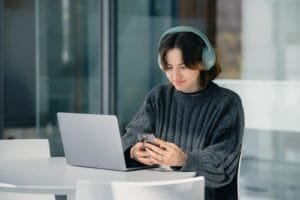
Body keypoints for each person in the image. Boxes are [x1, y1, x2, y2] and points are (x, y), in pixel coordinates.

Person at [122, 25, 244, 200]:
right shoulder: (159, 97)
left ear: (204, 61)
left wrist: (184, 160)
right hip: (157, 192)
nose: (175, 75)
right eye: (169, 67)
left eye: (184, 66)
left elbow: (222, 166)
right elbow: (132, 137)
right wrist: (133, 152)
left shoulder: (227, 102)